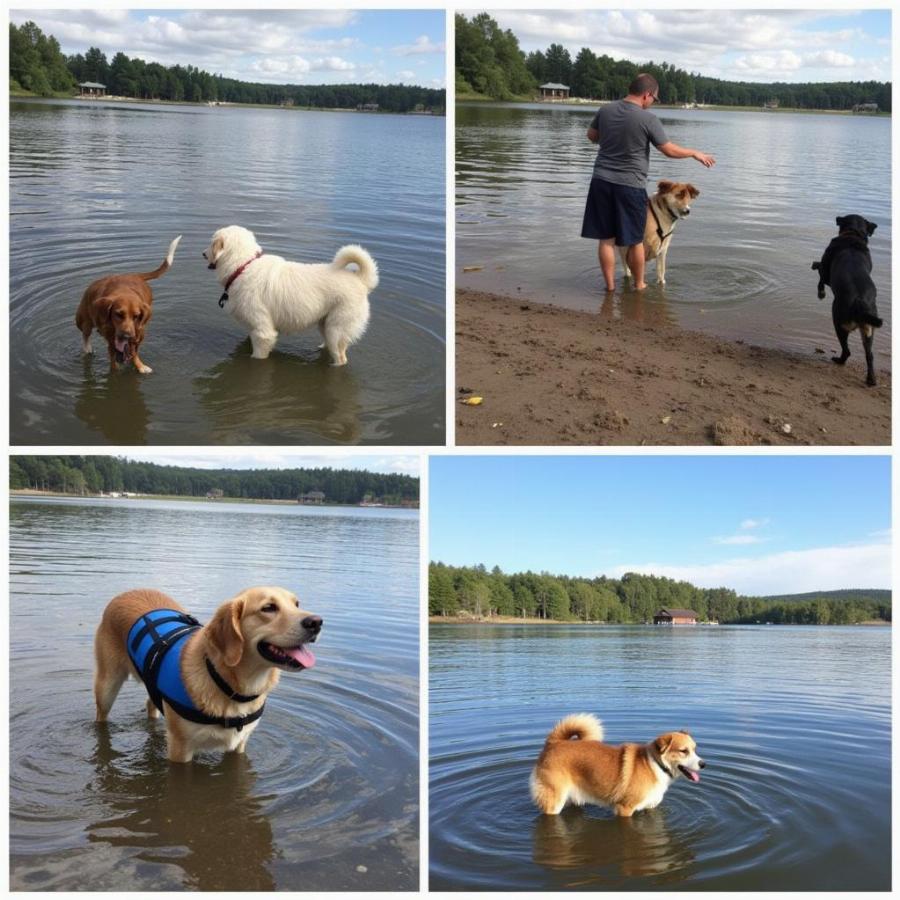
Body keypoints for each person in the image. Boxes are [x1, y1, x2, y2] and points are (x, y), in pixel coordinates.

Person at [581, 73, 716, 291]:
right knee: (635, 239)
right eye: (655, 99)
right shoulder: (648, 119)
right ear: (647, 94)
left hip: (601, 182)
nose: (653, 103)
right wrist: (694, 153)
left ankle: (610, 288)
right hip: (630, 185)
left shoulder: (605, 110)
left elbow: (591, 136)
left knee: (606, 239)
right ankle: (640, 284)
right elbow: (669, 150)